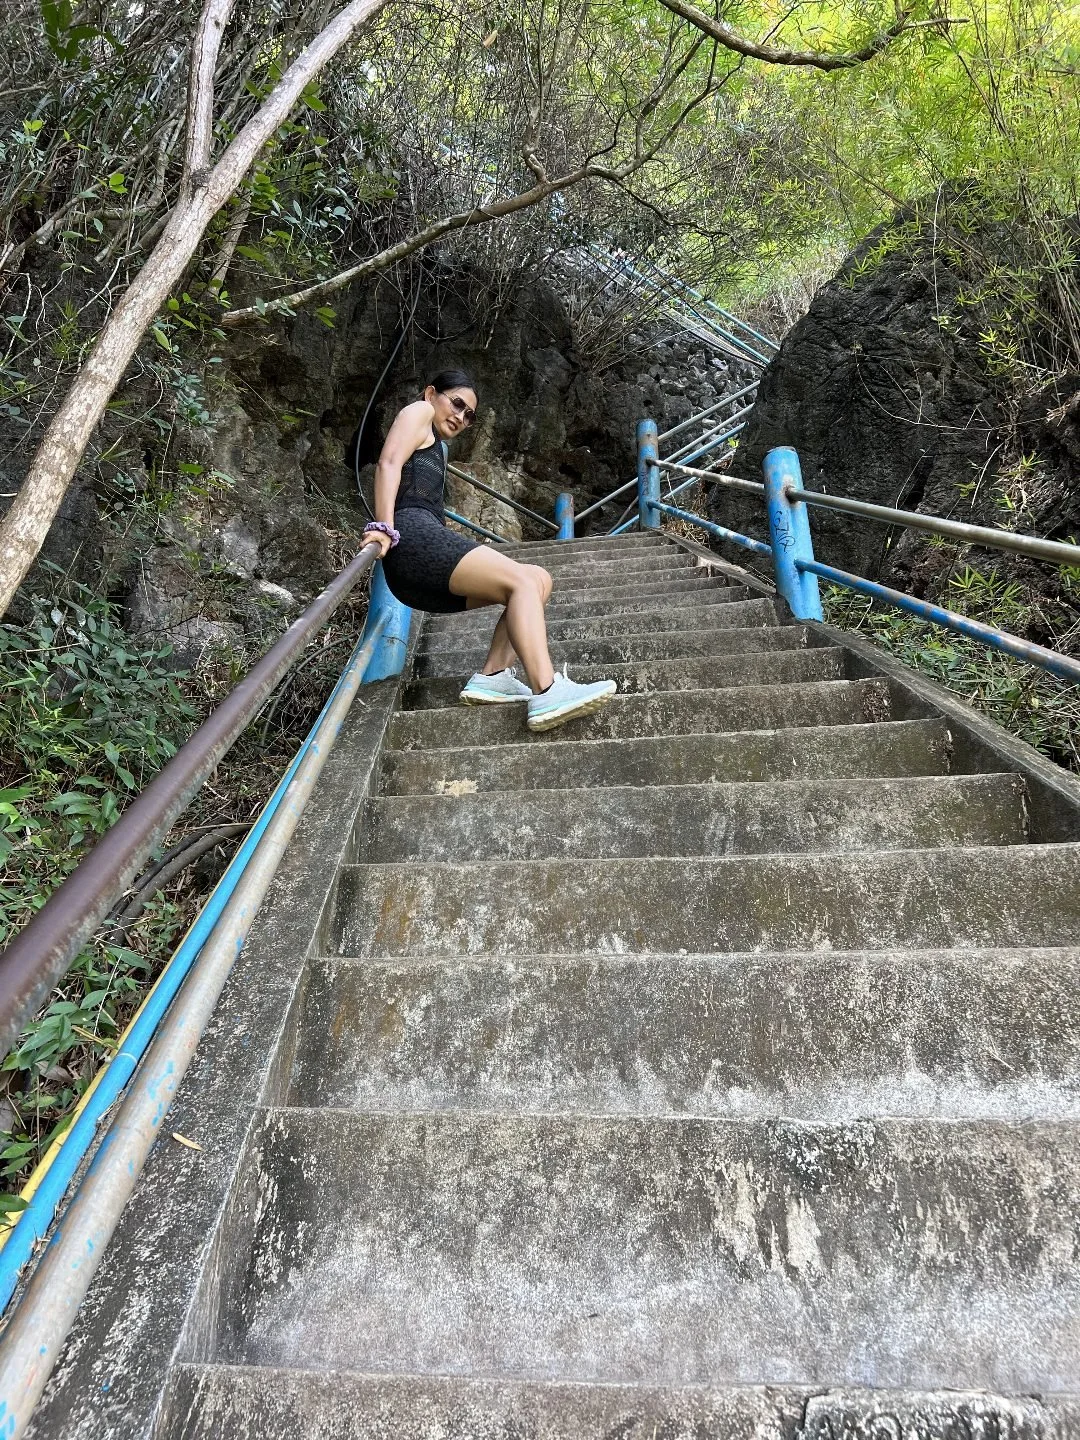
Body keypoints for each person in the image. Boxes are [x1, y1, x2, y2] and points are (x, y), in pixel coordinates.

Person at [360, 368, 617, 732]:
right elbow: (388, 464)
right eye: (457, 404)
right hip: (410, 537)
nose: (461, 417)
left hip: (420, 554)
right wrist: (384, 528)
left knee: (538, 579)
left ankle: (493, 675)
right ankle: (546, 690)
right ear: (431, 393)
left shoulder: (439, 447)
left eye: (469, 415)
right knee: (522, 583)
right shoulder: (418, 412)